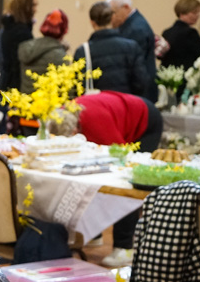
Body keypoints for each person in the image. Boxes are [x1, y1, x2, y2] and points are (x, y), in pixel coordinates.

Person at [48, 91, 162, 267]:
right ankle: (95, 233)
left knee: (125, 182)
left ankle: (124, 247)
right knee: (91, 176)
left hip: (146, 122)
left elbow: (120, 158)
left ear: (75, 131)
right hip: (121, 115)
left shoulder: (95, 122)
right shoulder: (62, 114)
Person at [73, 2, 149, 97]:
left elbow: (78, 87)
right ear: (113, 18)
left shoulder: (83, 51)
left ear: (92, 22)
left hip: (97, 107)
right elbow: (141, 83)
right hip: (124, 105)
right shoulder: (131, 47)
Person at [107, 0, 157, 102]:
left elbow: (133, 67)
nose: (112, 18)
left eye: (114, 13)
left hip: (139, 95)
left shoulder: (136, 29)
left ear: (126, 7)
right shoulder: (132, 25)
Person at [0, 0, 39, 91]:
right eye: (33, 5)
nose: (36, 9)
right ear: (25, 6)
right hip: (16, 86)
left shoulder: (8, 27)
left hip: (7, 82)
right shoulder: (21, 32)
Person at [18, 9, 68, 94]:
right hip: (48, 105)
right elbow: (65, 89)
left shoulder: (25, 47)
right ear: (64, 30)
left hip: (25, 103)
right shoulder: (60, 56)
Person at [160, 0, 200, 73]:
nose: (198, 15)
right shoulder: (189, 33)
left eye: (198, 12)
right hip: (184, 76)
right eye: (194, 12)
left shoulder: (166, 32)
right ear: (182, 13)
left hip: (167, 75)